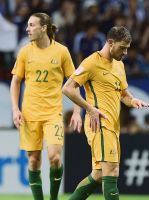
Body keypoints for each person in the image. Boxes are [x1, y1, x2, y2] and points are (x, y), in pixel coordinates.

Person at [62, 26, 149, 200]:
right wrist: (89, 108)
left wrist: (133, 101)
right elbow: (68, 89)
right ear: (110, 43)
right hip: (99, 124)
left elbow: (123, 94)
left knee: (99, 174)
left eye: (127, 48)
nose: (125, 52)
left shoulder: (119, 65)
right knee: (112, 171)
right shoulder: (91, 62)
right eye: (122, 47)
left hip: (112, 126)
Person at [10, 13, 82, 200]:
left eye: (32, 25)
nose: (27, 29)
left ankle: (53, 198)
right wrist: (15, 109)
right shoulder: (25, 52)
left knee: (54, 157)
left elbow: (74, 82)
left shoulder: (61, 52)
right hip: (29, 113)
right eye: (27, 25)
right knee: (33, 161)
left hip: (52, 114)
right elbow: (15, 81)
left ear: (44, 28)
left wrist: (76, 110)